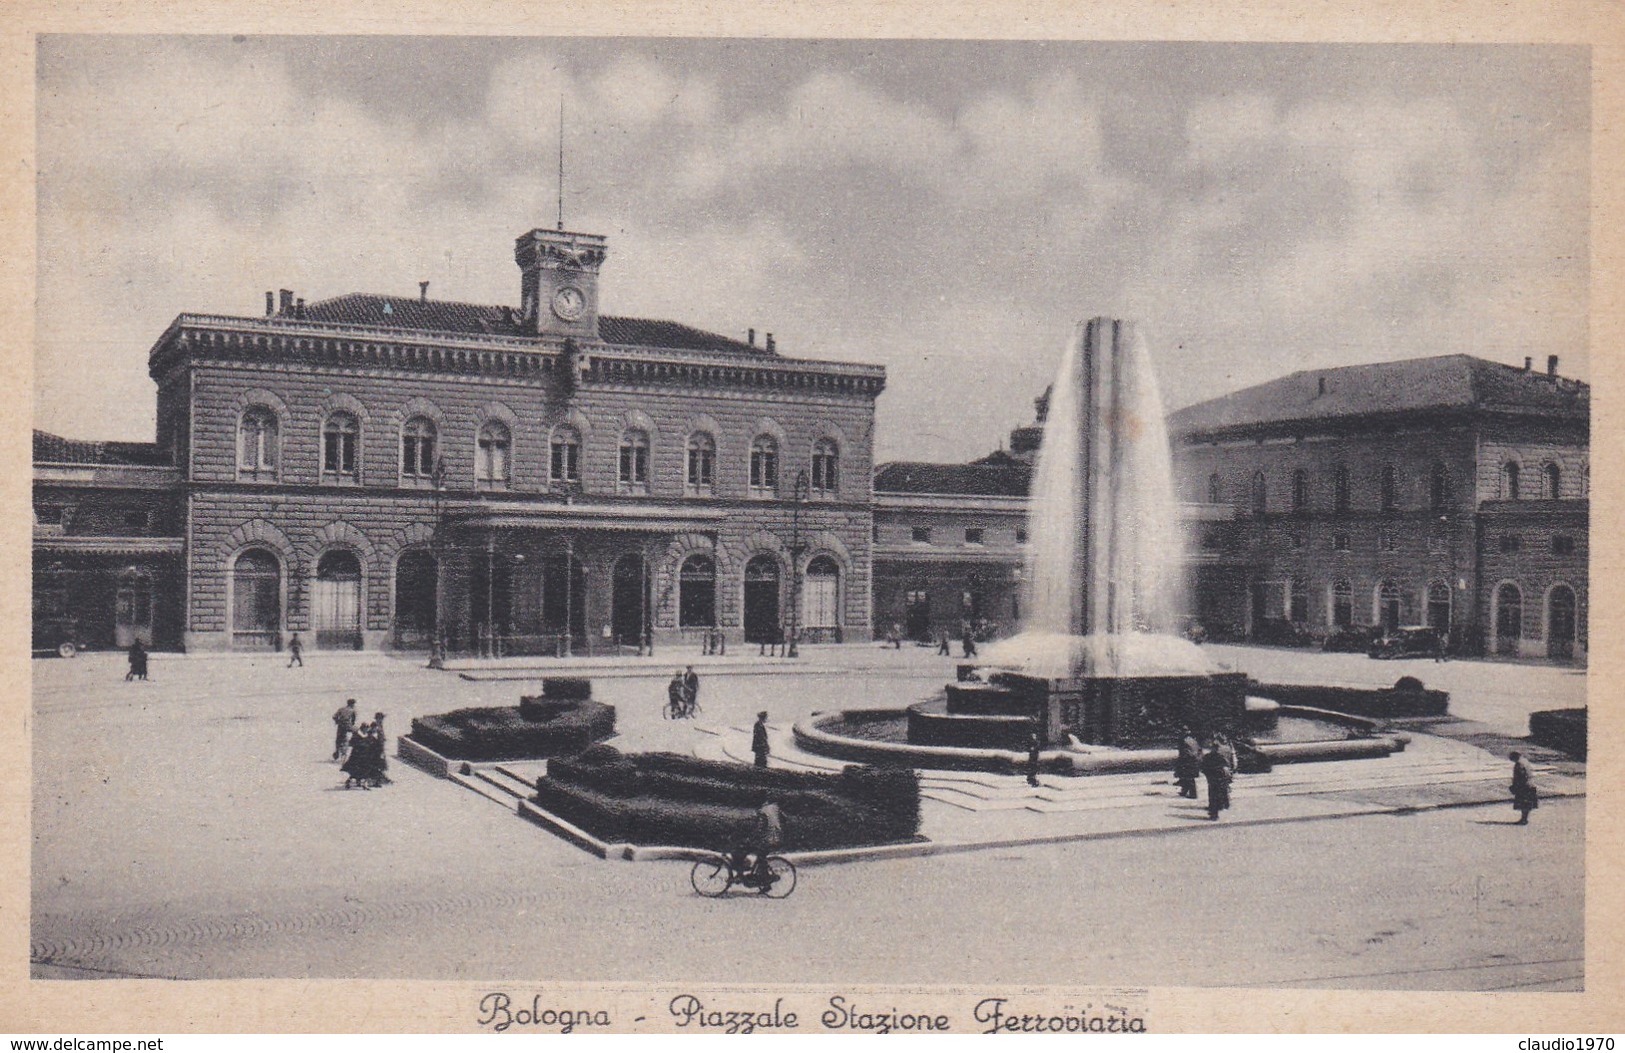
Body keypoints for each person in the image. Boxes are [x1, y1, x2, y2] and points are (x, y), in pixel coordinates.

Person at [1200, 739, 1234, 820]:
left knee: (1212, 795)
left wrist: (1207, 774)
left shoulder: (1208, 757)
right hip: (1220, 779)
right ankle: (1219, 808)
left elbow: (1203, 767)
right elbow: (1225, 767)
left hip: (1212, 779)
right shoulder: (1220, 757)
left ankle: (1213, 813)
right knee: (1219, 794)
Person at [1510, 751, 1538, 825]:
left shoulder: (1519, 764)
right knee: (1526, 804)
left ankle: (1524, 819)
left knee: (1524, 803)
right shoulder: (1525, 761)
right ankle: (1524, 819)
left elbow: (1521, 776)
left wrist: (1515, 786)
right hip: (1530, 784)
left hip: (1525, 786)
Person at [1174, 728, 1202, 799]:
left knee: (1188, 777)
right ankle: (1184, 791)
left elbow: (1185, 752)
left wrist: (1181, 760)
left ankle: (1193, 794)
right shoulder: (1193, 740)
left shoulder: (1184, 741)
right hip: (1194, 760)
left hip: (1188, 760)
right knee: (1186, 776)